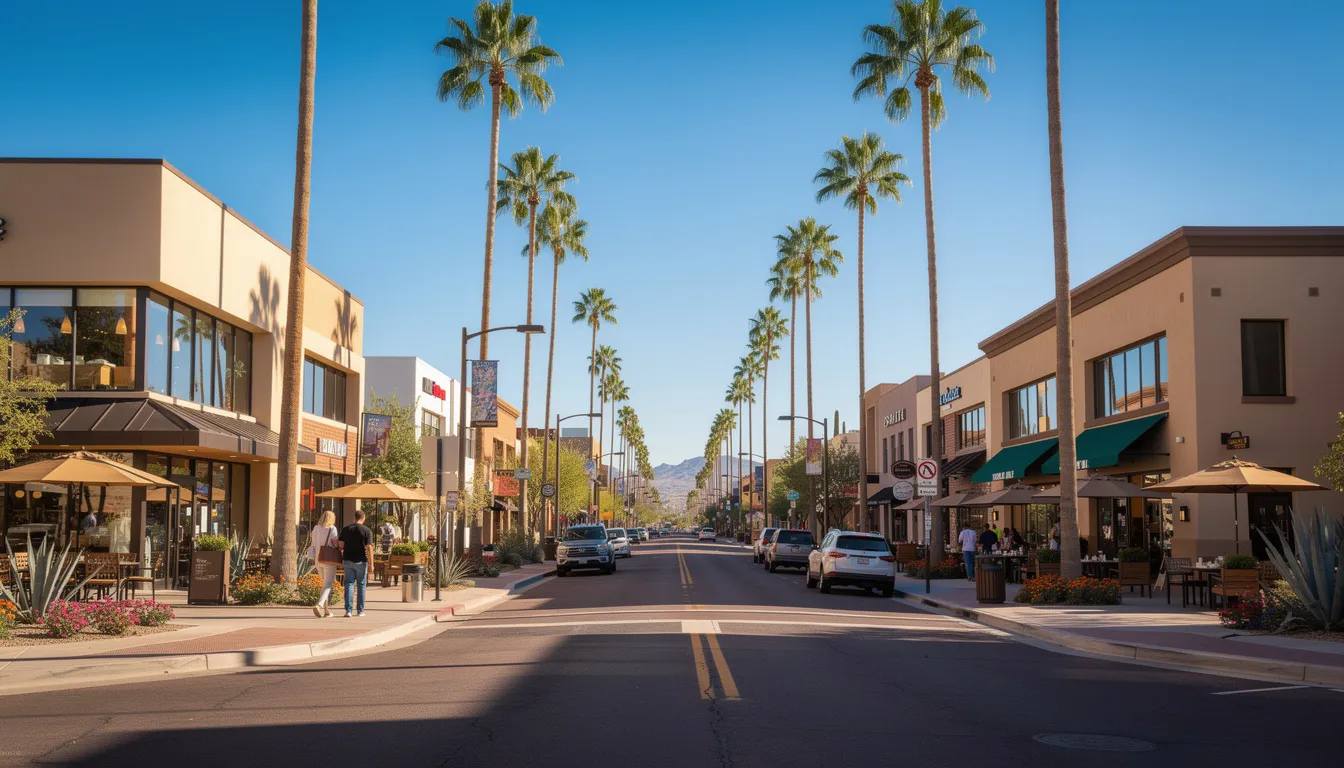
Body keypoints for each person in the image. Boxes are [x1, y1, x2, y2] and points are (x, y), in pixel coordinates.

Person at [338, 510, 374, 618]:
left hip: (348, 560)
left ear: (355, 517)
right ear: (363, 518)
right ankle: (360, 610)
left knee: (349, 584)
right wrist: (372, 563)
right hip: (361, 561)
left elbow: (341, 545)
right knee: (361, 585)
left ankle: (348, 610)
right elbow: (369, 548)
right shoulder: (367, 531)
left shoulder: (346, 529)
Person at [307, 510, 339, 618]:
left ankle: (326, 610)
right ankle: (319, 605)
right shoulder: (332, 528)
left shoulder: (316, 528)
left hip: (318, 559)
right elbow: (334, 544)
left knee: (324, 585)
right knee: (328, 585)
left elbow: (313, 544)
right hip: (328, 560)